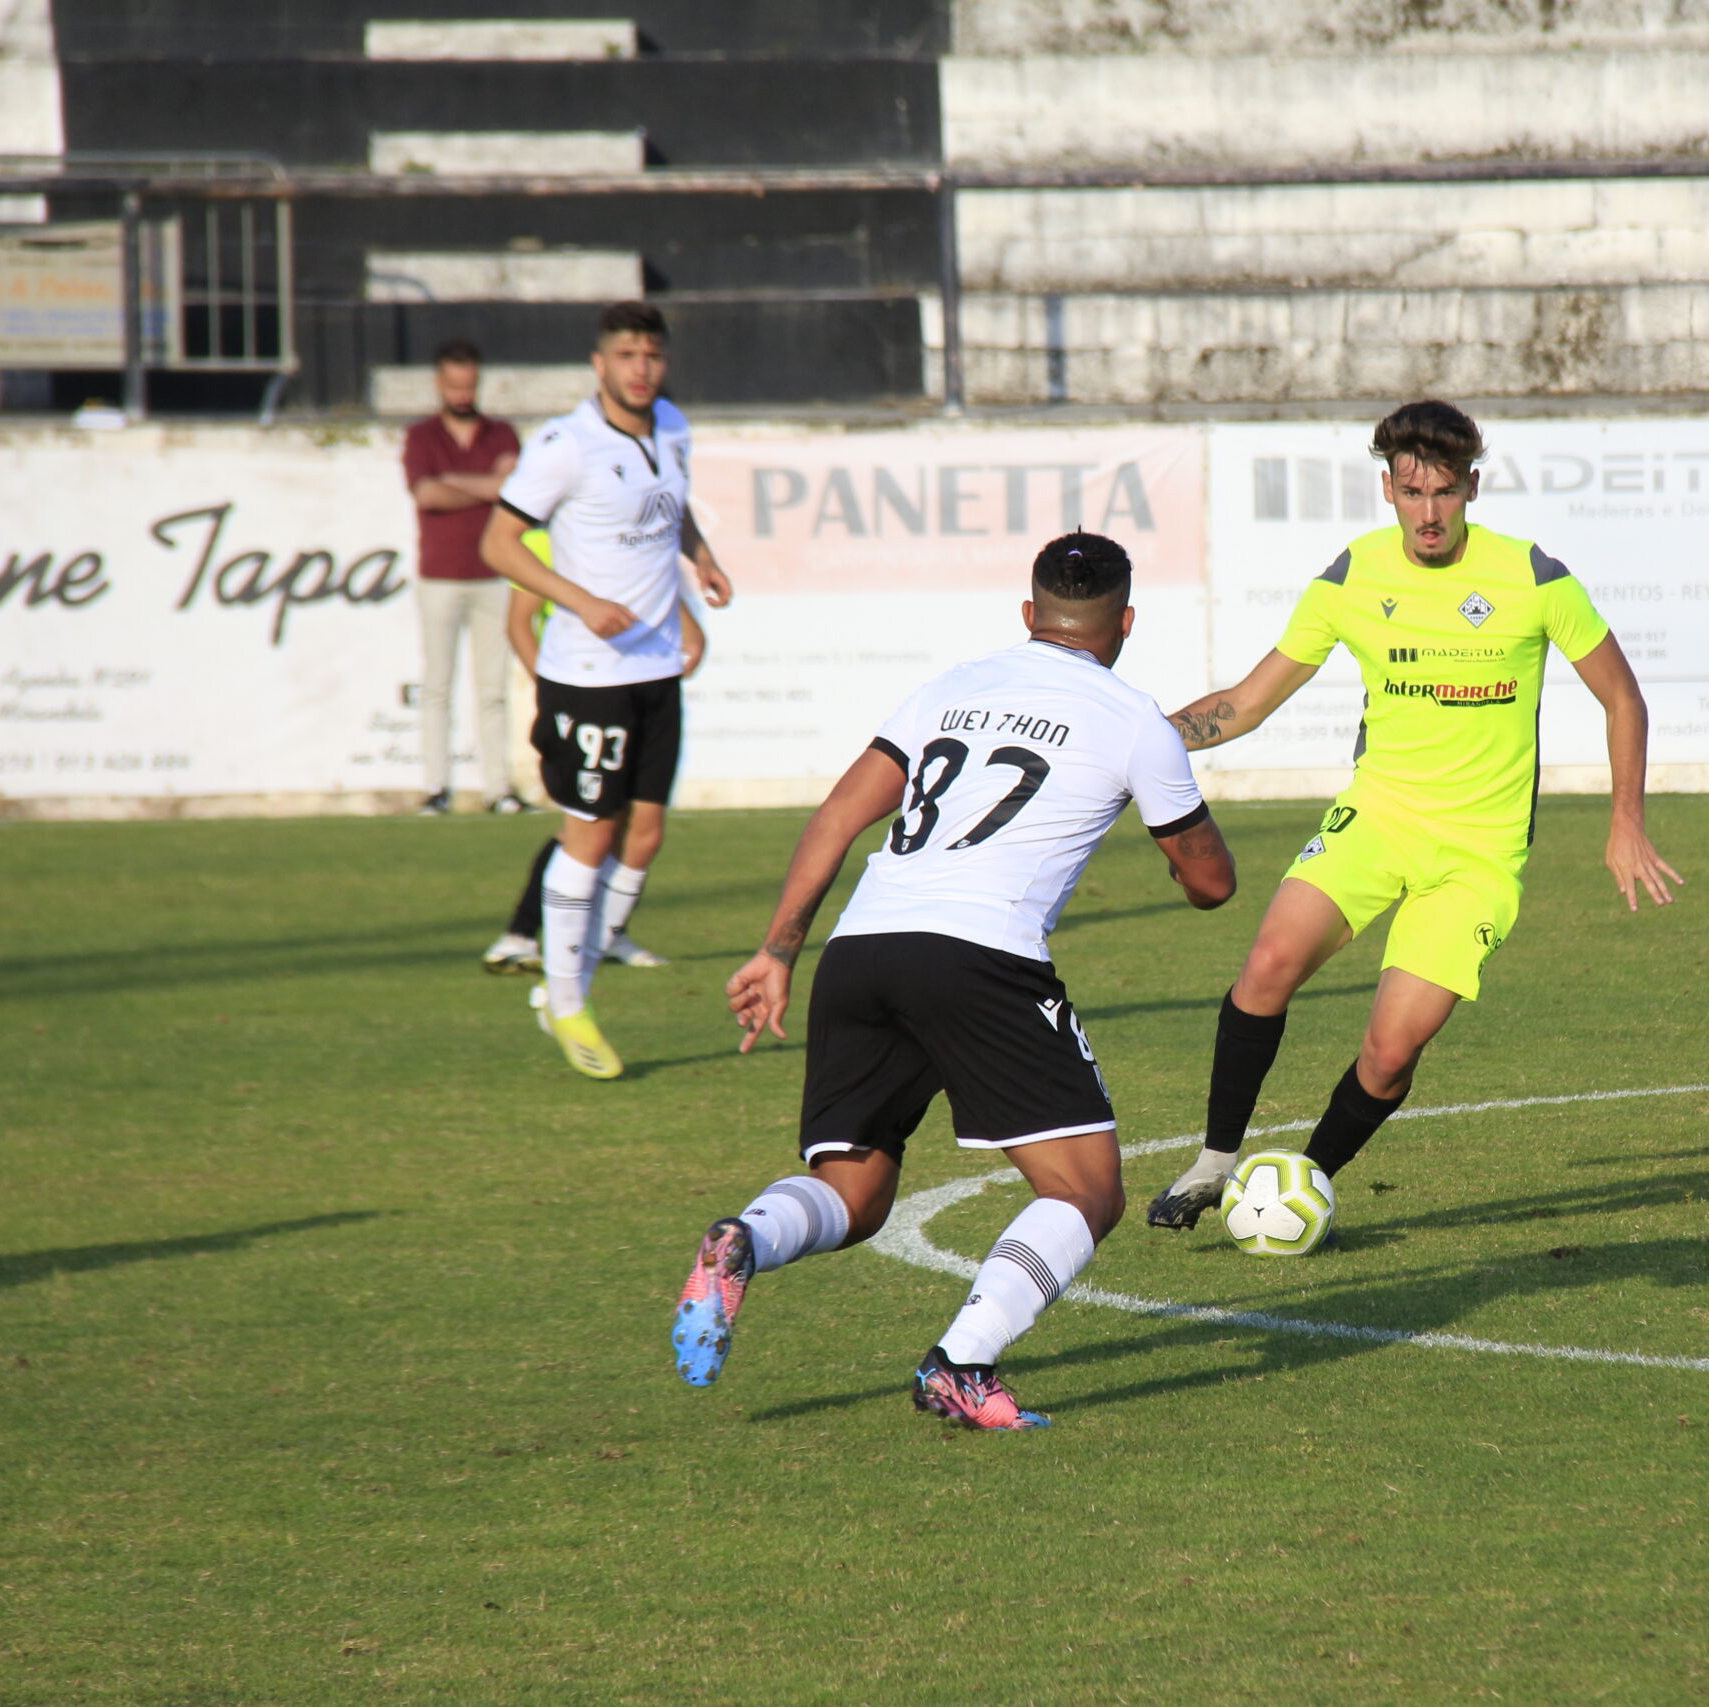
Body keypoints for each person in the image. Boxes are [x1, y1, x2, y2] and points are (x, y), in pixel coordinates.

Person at [677, 532, 1236, 1430]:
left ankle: (744, 1237)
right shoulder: (1135, 719)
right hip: (979, 957)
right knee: (1087, 1191)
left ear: (1029, 616)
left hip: (862, 949)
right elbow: (1212, 885)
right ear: (1125, 623)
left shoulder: (955, 687)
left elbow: (838, 815)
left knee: (855, 1192)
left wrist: (779, 949)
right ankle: (960, 1364)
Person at [1144, 399, 1682, 1230]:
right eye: (1410, 490)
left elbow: (1622, 697)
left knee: (1391, 1053)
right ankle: (1216, 1159)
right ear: (1387, 489)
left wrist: (1626, 820)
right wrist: (1138, 746)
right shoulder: (1354, 575)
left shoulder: (1532, 576)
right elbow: (1247, 704)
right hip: (1379, 817)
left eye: (1443, 493)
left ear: (1471, 487)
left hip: (1478, 856)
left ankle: (1299, 1185)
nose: (1428, 512)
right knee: (1267, 965)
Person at [479, 302, 734, 1079]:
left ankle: (576, 978)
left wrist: (701, 560)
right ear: (599, 363)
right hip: (588, 674)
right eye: (625, 354)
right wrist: (581, 601)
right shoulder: (567, 445)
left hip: (654, 667)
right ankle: (567, 998)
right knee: (588, 837)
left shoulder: (674, 425)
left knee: (646, 832)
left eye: (651, 354)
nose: (640, 368)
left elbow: (669, 509)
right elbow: (498, 542)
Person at [477, 564, 702, 974]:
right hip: (586, 691)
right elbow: (519, 622)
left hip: (648, 685)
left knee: (644, 829)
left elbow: (656, 585)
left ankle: (608, 936)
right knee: (590, 827)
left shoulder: (639, 525)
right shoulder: (555, 536)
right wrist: (551, 688)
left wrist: (690, 628)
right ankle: (519, 936)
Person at [401, 338, 526, 816]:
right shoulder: (422, 437)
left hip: (494, 574)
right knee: (437, 686)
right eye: (453, 383)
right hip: (440, 575)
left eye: (469, 383)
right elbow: (426, 495)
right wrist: (486, 487)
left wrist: (455, 481)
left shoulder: (502, 434)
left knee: (492, 688)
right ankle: (437, 786)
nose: (461, 392)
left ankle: (499, 789)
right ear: (439, 382)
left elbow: (512, 490)